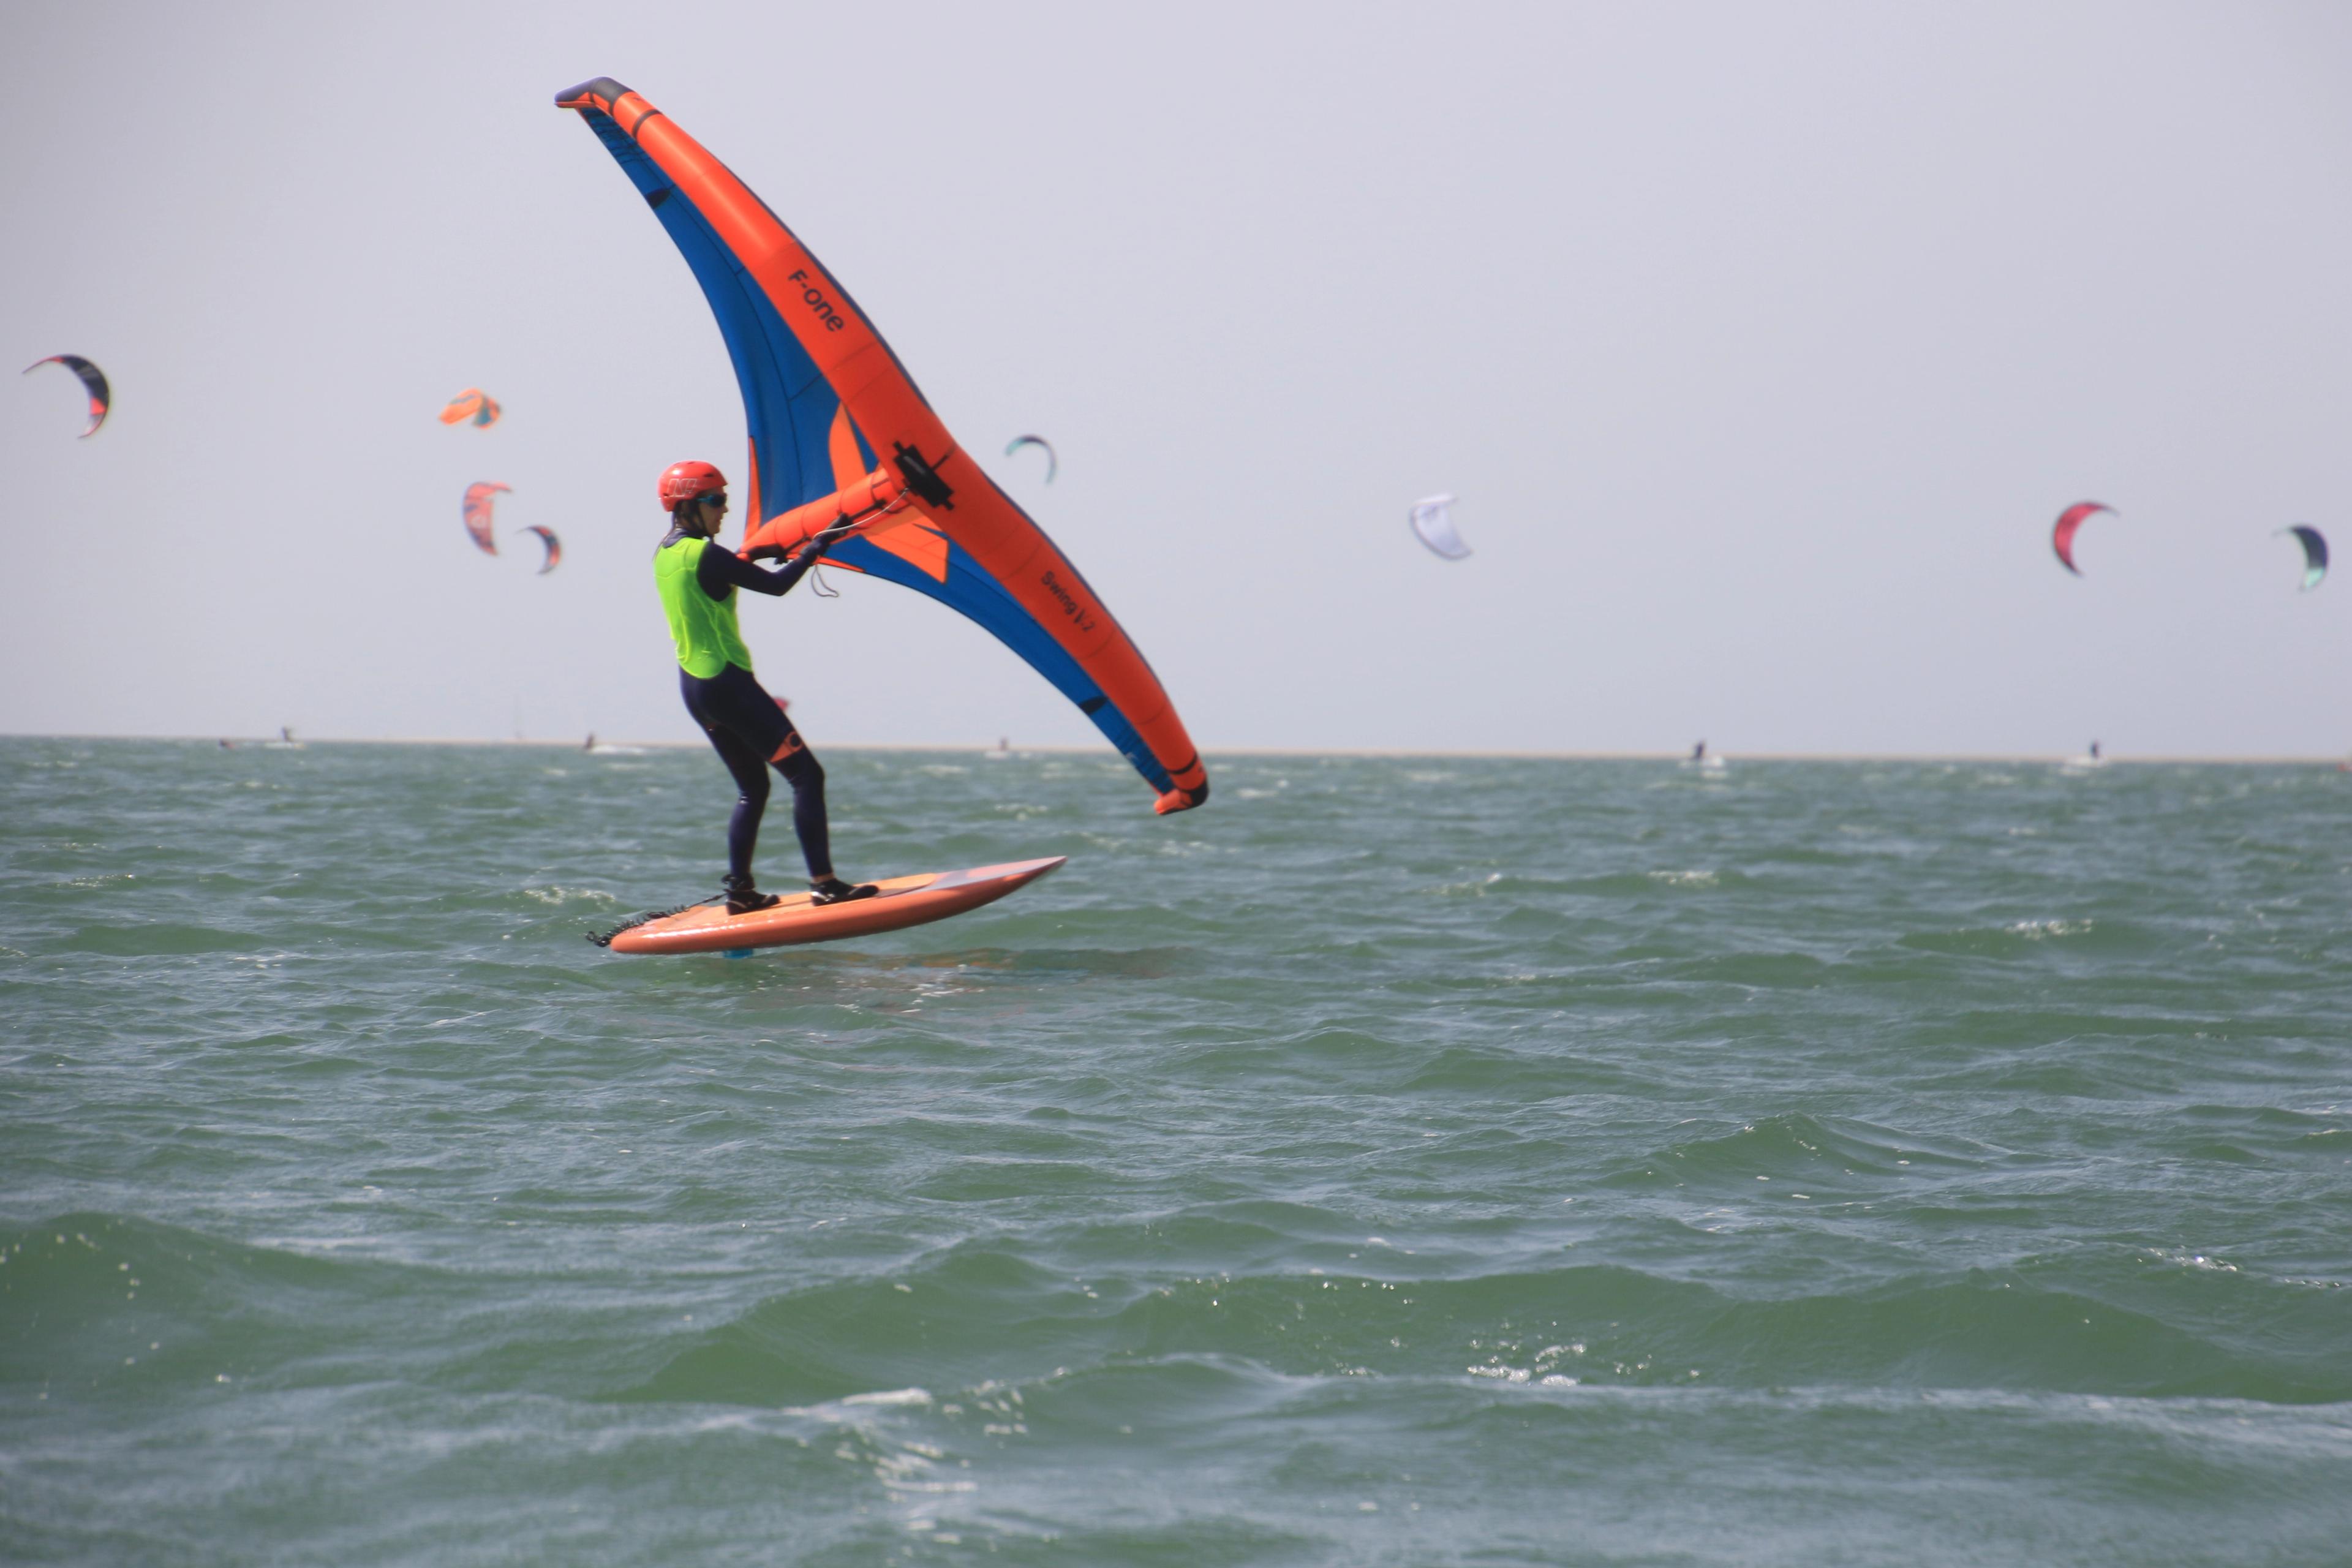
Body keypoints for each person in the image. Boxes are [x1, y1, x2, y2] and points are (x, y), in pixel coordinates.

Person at [652, 460, 876, 916]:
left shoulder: (665, 553)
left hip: (696, 690)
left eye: (724, 500)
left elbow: (713, 582)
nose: (724, 509)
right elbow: (776, 587)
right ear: (686, 505)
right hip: (729, 684)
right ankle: (825, 885)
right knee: (807, 776)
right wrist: (815, 547)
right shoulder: (708, 554)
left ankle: (741, 892)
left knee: (753, 788)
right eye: (715, 501)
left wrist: (749, 556)